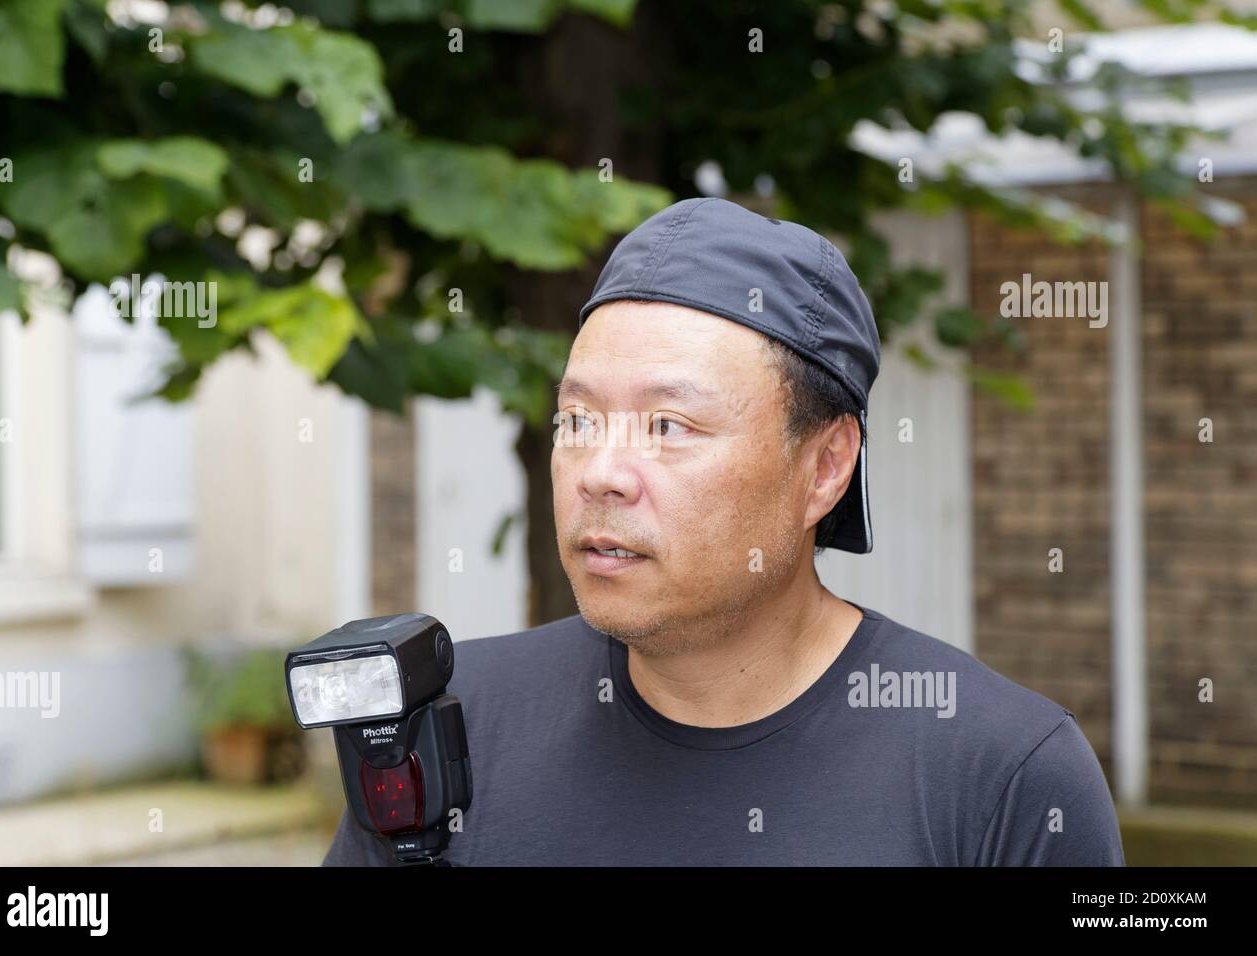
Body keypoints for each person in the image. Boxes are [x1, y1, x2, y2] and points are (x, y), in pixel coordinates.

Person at [323, 197, 1125, 866]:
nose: (600, 472)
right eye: (578, 419)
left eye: (668, 426)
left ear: (825, 468)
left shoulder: (1000, 774)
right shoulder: (450, 726)